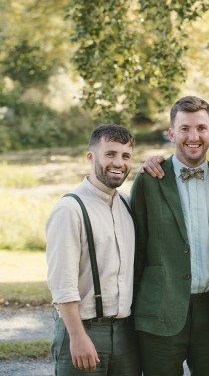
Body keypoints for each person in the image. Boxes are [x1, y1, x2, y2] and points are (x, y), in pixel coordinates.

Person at [130, 96, 209, 376]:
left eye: (200, 128)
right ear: (171, 134)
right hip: (160, 311)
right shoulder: (148, 181)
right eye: (184, 128)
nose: (193, 136)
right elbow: (135, 251)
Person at [46, 124, 141, 375]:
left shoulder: (127, 205)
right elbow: (62, 284)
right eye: (110, 154)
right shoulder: (70, 209)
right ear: (91, 157)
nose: (118, 163)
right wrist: (77, 337)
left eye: (125, 156)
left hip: (125, 334)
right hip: (83, 330)